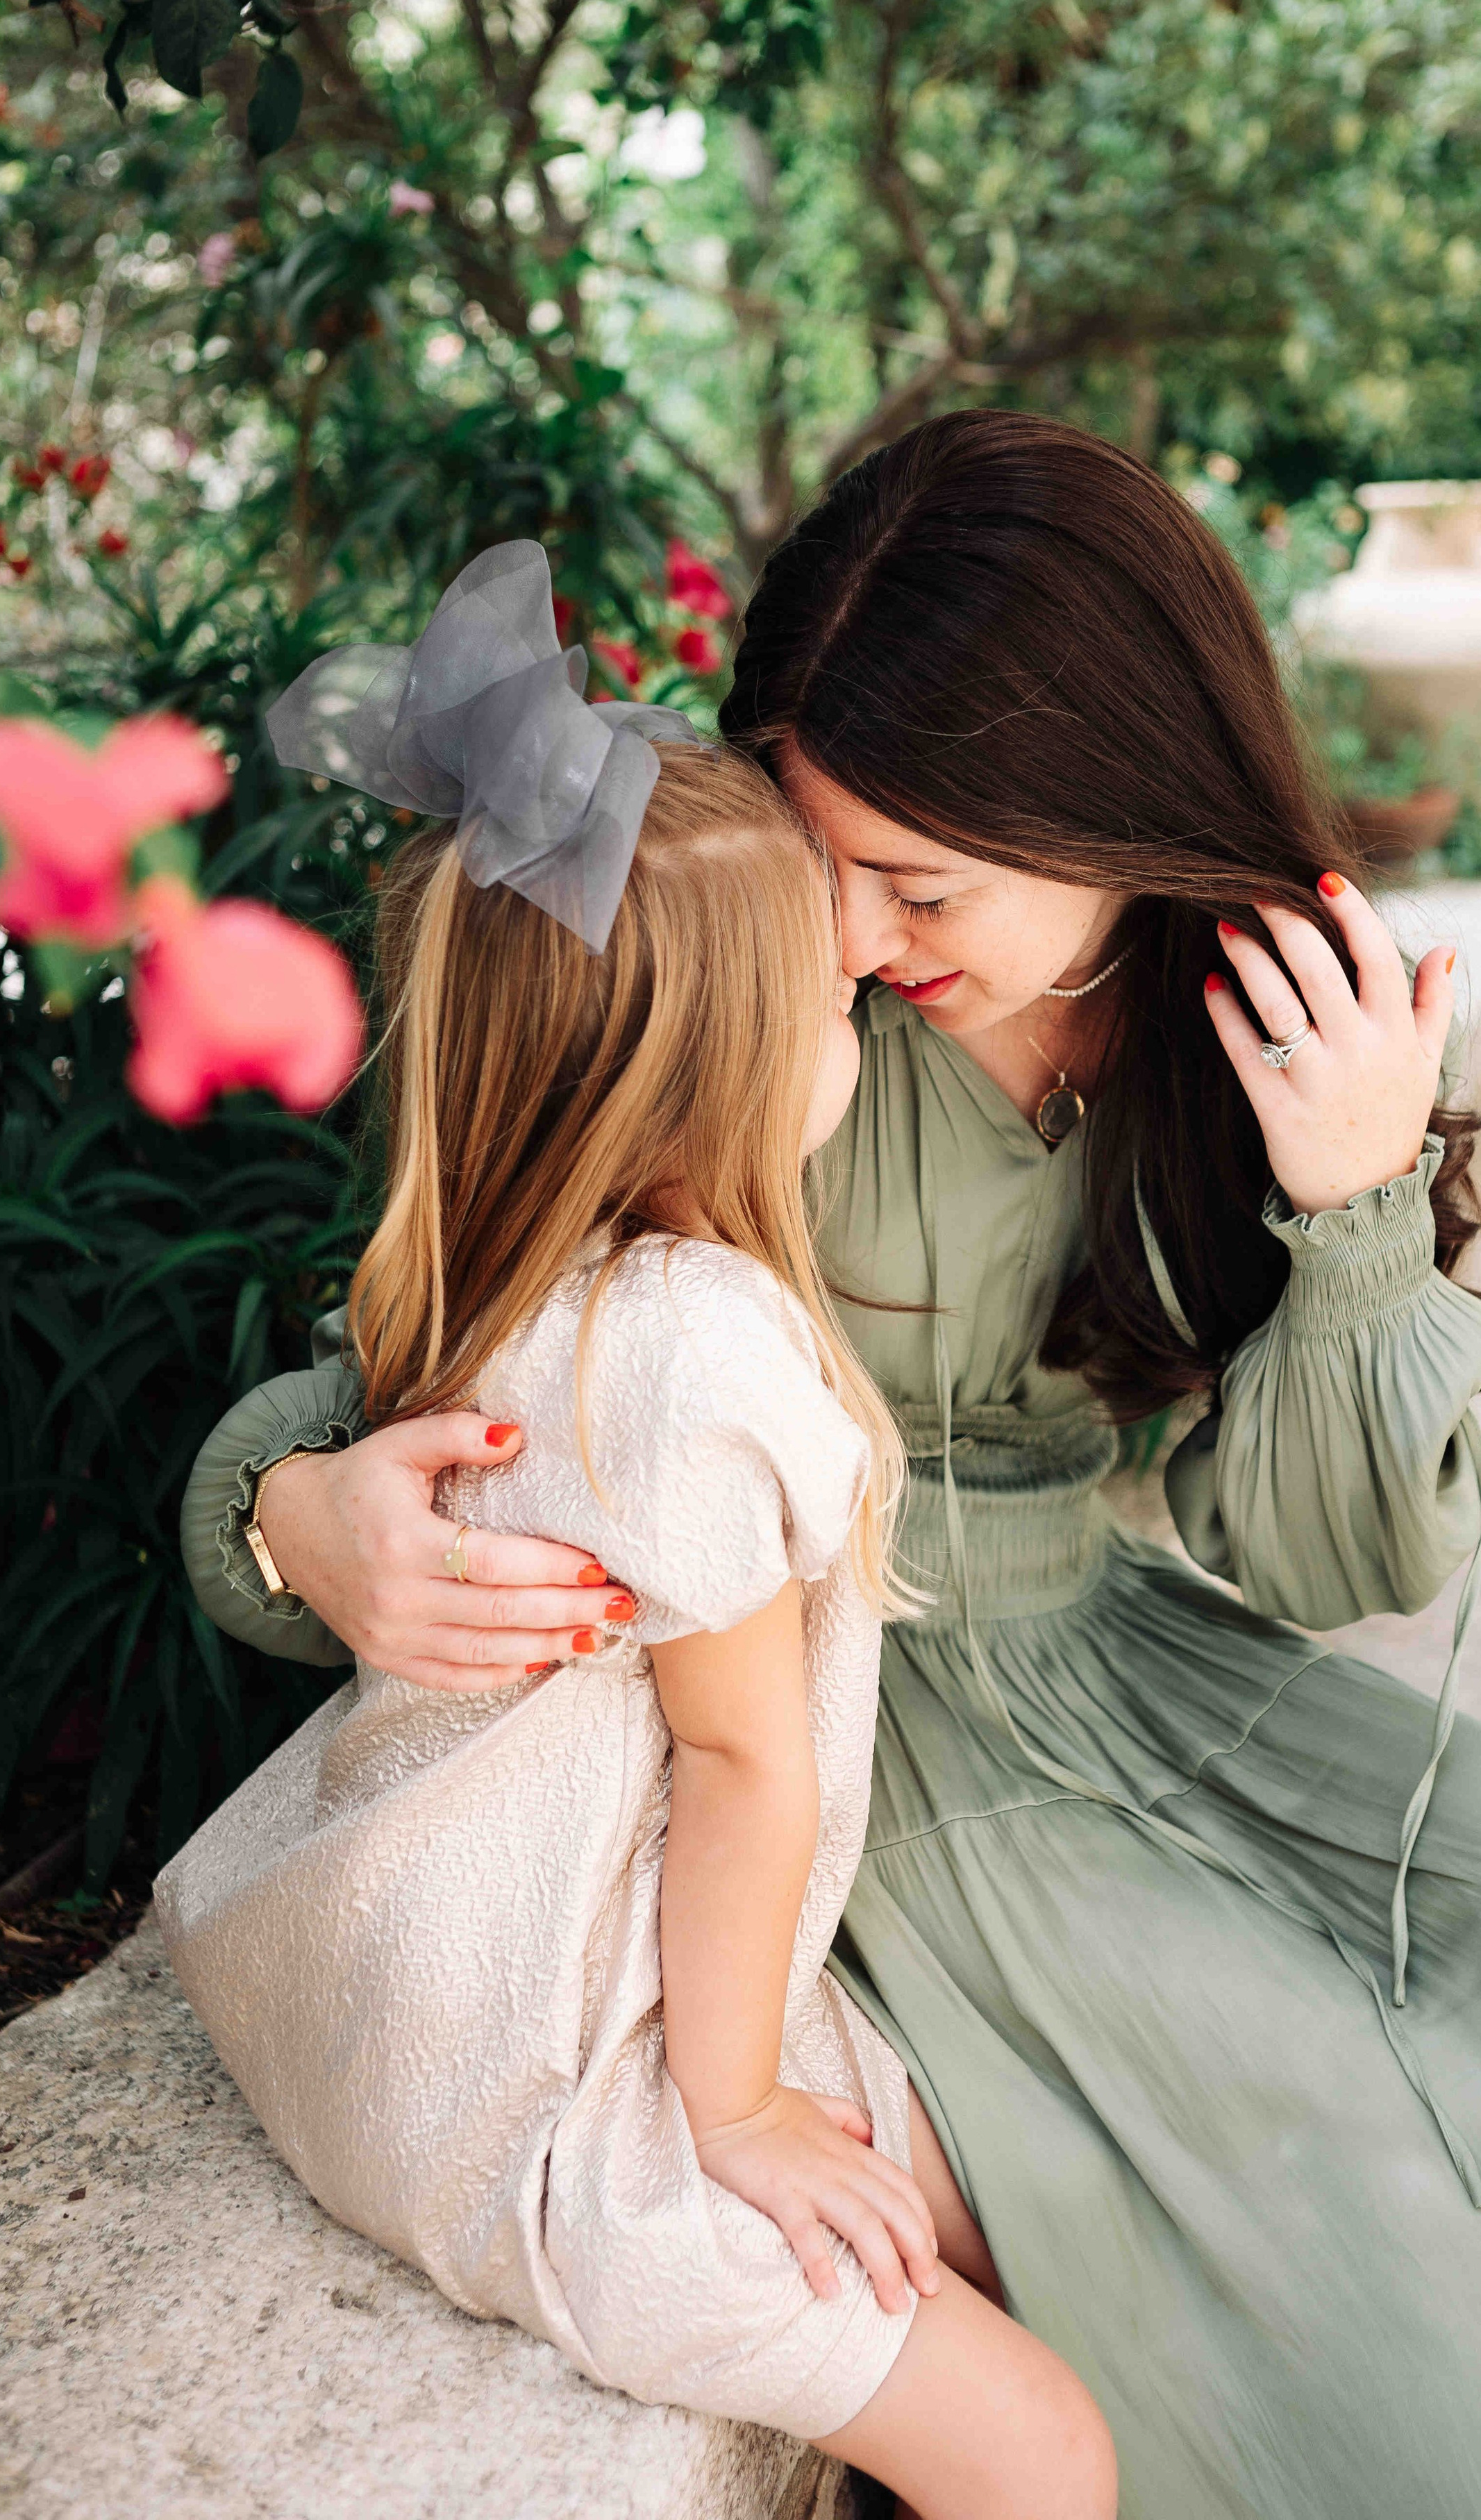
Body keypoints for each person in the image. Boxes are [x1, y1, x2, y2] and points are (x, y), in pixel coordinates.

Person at [182, 419, 1481, 2519]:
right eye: (819, 856)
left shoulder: (1243, 1022)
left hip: (1116, 1664)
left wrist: (1355, 1208)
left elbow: (1328, 1561)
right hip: (834, 1719)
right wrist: (291, 1520)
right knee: (1322, 2120)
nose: (853, 935)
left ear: (1113, 810)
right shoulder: (740, 995)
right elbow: (449, 1349)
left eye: (922, 881)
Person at [156, 544, 1116, 2520]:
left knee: (993, 2208)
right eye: (818, 992)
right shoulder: (702, 1362)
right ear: (719, 1077)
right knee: (1052, 2455)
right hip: (563, 2075)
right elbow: (742, 1755)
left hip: (444, 1973)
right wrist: (746, 2107)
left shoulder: (506, 1288)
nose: (862, 988)